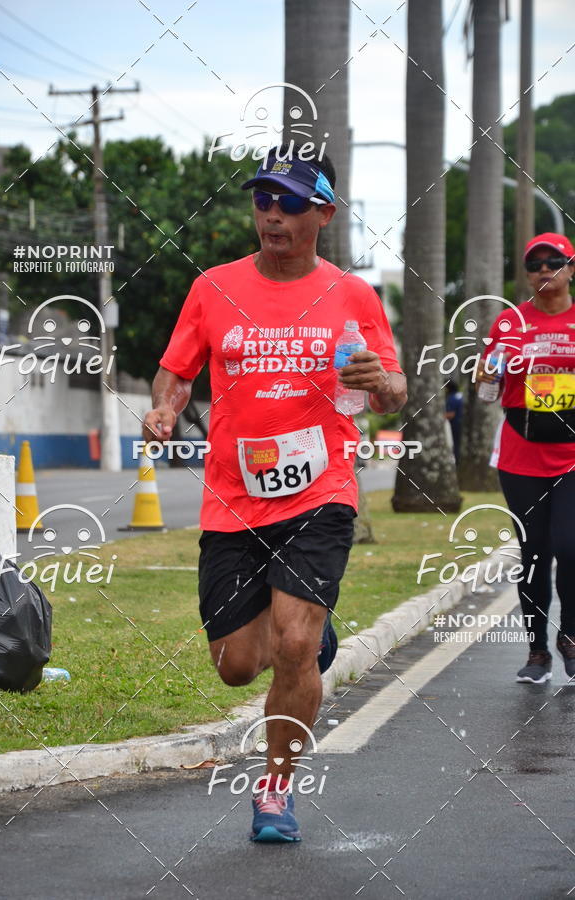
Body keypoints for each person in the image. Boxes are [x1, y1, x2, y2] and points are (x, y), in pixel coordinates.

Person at [143, 146, 406, 842]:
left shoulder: (352, 296)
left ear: (324, 211)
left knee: (294, 642)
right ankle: (305, 636)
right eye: (264, 200)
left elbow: (395, 390)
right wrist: (166, 409)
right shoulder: (214, 288)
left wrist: (382, 381)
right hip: (233, 499)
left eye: (290, 202)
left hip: (322, 491)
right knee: (236, 666)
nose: (273, 215)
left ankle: (275, 789)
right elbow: (175, 370)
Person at [477, 232, 575, 684]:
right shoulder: (508, 323)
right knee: (534, 553)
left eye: (553, 261)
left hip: (572, 456)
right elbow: (487, 392)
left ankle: (569, 638)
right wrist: (486, 374)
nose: (542, 270)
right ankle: (537, 652)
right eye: (534, 263)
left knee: (569, 547)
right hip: (520, 455)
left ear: (571, 268)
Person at [445, 379, 463, 464]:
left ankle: (458, 461)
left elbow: (451, 414)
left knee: (456, 444)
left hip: (456, 424)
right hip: (463, 423)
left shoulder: (451, 398)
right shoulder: (460, 396)